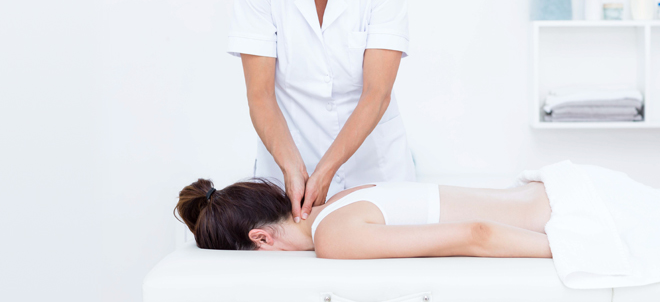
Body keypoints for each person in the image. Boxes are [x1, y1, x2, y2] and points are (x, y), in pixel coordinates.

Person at [228, 0, 414, 225]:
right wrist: (293, 168)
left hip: (373, 164)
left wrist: (326, 169)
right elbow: (261, 95)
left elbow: (376, 93)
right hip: (287, 158)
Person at [174, 177, 554, 259]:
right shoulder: (343, 196)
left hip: (565, 217)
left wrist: (568, 250)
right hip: (552, 186)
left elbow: (477, 234)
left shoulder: (333, 238)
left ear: (260, 238)